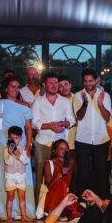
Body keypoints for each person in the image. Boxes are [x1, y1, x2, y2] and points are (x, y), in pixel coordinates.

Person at [0, 77, 36, 220]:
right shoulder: (1, 103)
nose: (15, 89)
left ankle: (21, 211)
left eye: (17, 86)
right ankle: (3, 211)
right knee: (3, 173)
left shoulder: (25, 105)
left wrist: (28, 144)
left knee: (21, 174)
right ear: (6, 88)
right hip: (4, 140)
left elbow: (28, 126)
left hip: (21, 140)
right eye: (12, 86)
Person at [30, 72, 73, 214]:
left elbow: (71, 120)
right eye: (51, 83)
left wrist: (65, 123)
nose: (54, 86)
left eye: (56, 83)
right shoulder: (38, 101)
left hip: (60, 144)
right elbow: (34, 123)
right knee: (41, 179)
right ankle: (38, 209)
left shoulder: (64, 101)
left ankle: (57, 209)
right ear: (44, 85)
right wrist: (50, 126)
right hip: (43, 143)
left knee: (60, 178)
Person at [73, 68, 112, 198]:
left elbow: (107, 117)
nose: (88, 83)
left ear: (96, 80)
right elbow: (79, 116)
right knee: (83, 172)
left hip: (101, 139)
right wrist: (85, 103)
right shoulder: (78, 96)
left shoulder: (105, 95)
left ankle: (101, 202)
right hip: (82, 139)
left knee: (101, 172)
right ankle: (82, 202)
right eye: (85, 81)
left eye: (90, 80)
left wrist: (100, 104)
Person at [3, 125, 33, 222]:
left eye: (16, 138)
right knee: (10, 196)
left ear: (21, 138)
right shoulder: (6, 150)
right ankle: (9, 217)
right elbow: (8, 162)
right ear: (8, 138)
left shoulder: (24, 149)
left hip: (21, 176)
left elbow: (26, 161)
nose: (14, 140)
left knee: (22, 196)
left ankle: (23, 216)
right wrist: (11, 154)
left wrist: (18, 154)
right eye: (11, 138)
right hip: (10, 176)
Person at [41, 138, 73, 215]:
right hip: (53, 198)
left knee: (78, 212)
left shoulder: (70, 162)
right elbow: (49, 187)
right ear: (54, 151)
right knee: (61, 183)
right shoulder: (49, 164)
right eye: (61, 149)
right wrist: (57, 177)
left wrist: (67, 168)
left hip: (67, 197)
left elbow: (71, 164)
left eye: (66, 149)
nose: (64, 151)